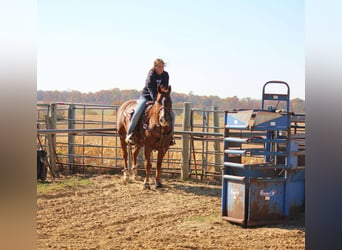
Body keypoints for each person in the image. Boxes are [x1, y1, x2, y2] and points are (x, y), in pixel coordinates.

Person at [125, 58, 175, 145]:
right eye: (159, 67)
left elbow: (164, 88)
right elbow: (150, 87)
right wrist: (155, 99)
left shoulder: (165, 75)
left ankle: (170, 136)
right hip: (147, 97)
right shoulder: (151, 74)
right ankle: (130, 134)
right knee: (137, 112)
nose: (161, 69)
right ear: (155, 67)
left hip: (159, 99)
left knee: (172, 115)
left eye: (162, 67)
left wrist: (160, 99)